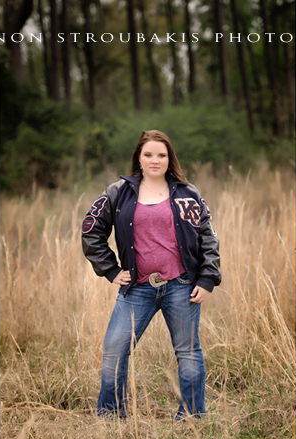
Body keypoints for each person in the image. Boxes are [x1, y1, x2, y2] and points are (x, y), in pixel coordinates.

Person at [81, 130, 221, 420]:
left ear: (170, 159)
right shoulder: (118, 192)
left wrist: (207, 279)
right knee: (114, 349)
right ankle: (110, 413)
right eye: (148, 154)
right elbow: (90, 229)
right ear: (139, 158)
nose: (154, 160)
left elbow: (208, 236)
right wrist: (110, 269)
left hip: (181, 284)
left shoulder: (188, 193)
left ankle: (193, 417)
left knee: (187, 351)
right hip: (138, 287)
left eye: (161, 155)